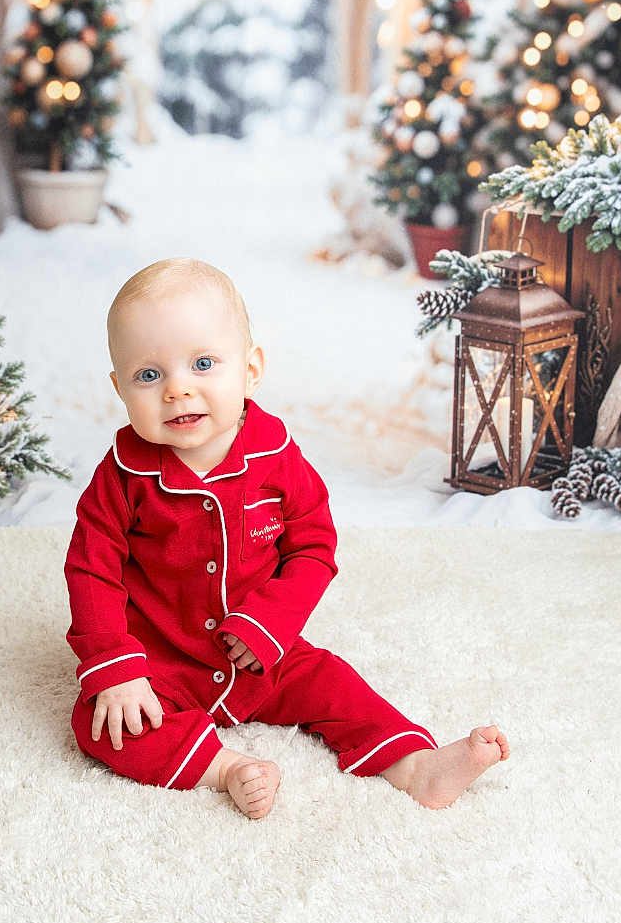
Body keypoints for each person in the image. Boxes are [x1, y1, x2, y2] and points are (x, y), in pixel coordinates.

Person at [65, 257, 509, 820]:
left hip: (262, 655)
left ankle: (415, 765)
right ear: (120, 388)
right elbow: (92, 570)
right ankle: (223, 767)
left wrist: (270, 622)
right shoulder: (123, 475)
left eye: (203, 364)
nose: (178, 389)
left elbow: (313, 548)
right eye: (148, 376)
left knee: (333, 684)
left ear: (250, 369)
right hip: (160, 661)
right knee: (100, 722)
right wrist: (117, 667)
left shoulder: (276, 458)